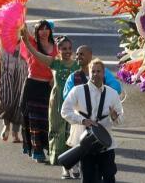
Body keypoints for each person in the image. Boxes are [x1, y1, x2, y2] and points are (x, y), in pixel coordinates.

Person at [20, 31, 80, 176]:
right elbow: (36, 54)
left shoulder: (77, 65)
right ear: (58, 50)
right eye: (63, 49)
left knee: (71, 132)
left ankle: (73, 161)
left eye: (69, 48)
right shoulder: (54, 63)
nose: (67, 51)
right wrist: (27, 43)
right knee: (57, 130)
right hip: (57, 100)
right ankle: (62, 162)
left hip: (73, 102)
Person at [60, 59, 121, 182]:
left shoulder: (112, 94)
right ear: (89, 72)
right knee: (88, 178)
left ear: (104, 73)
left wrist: (115, 117)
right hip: (86, 143)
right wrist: (82, 120)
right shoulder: (77, 91)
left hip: (106, 143)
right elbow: (65, 111)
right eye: (92, 71)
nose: (95, 74)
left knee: (109, 176)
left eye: (98, 71)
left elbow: (121, 118)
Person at [21, 20, 57, 163]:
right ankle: (37, 150)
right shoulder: (32, 44)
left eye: (46, 28)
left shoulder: (57, 47)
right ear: (36, 32)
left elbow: (60, 63)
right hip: (32, 87)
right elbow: (22, 29)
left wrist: (55, 79)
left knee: (48, 120)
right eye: (40, 29)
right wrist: (20, 9)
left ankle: (50, 147)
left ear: (50, 31)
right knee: (34, 120)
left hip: (49, 88)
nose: (44, 31)